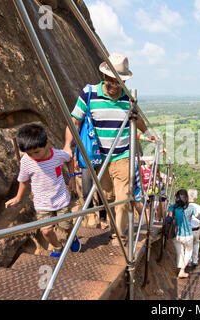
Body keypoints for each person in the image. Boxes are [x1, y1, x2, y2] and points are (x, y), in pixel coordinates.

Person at [63, 53, 154, 245]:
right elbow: (75, 121)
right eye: (110, 80)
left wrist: (149, 134)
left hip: (123, 155)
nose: (113, 85)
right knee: (109, 197)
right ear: (103, 76)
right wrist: (67, 146)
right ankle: (114, 229)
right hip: (99, 157)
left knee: (124, 196)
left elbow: (138, 121)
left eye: (118, 81)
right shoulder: (89, 93)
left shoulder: (128, 99)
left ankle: (119, 237)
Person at [5, 123, 81, 257]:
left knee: (66, 225)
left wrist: (72, 178)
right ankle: (57, 246)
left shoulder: (58, 155)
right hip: (42, 203)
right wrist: (18, 197)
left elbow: (69, 160)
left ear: (47, 143)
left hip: (60, 198)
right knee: (46, 231)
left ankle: (72, 237)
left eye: (36, 152)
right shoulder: (26, 161)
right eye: (29, 153)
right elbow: (23, 181)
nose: (34, 156)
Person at [168, 189, 200, 279]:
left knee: (181, 250)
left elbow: (170, 219)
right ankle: (188, 265)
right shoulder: (193, 208)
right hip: (191, 233)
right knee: (191, 249)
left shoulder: (174, 207)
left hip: (179, 233)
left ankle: (181, 266)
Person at [187, 189, 200, 268]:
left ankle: (189, 261)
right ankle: (195, 260)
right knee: (196, 244)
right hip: (196, 230)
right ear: (196, 198)